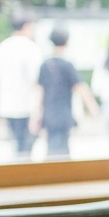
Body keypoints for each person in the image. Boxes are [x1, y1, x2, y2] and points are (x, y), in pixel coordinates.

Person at [31, 27, 98, 159]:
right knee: (62, 152)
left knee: (52, 148)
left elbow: (39, 92)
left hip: (49, 115)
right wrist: (94, 109)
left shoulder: (45, 65)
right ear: (67, 42)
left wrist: (35, 115)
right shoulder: (67, 65)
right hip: (64, 115)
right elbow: (81, 87)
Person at [0, 17, 41, 158]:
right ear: (26, 26)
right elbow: (37, 82)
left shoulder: (2, 48)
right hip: (27, 107)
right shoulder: (31, 48)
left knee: (16, 147)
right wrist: (38, 110)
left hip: (8, 107)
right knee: (26, 149)